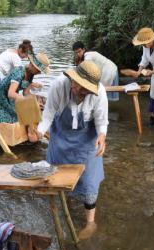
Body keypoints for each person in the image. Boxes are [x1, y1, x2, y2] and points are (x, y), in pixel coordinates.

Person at [29, 61, 108, 239]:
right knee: (59, 176)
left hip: (87, 139)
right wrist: (39, 133)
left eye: (86, 91)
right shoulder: (58, 85)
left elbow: (101, 121)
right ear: (73, 80)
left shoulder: (99, 92)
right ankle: (68, 206)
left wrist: (102, 136)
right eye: (79, 88)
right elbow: (48, 114)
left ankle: (90, 222)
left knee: (89, 181)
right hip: (61, 138)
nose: (81, 93)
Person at [0, 52, 50, 127]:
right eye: (39, 70)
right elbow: (11, 93)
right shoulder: (19, 73)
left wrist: (36, 102)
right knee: (5, 124)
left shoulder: (31, 74)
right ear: (33, 66)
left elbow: (26, 93)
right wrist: (29, 101)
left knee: (18, 120)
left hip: (8, 100)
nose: (39, 73)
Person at [0, 40, 35, 111]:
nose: (25, 57)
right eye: (25, 55)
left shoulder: (11, 50)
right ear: (20, 49)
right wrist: (29, 85)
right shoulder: (16, 58)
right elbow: (19, 75)